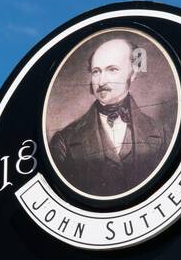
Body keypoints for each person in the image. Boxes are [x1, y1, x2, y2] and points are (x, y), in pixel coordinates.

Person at [49, 36, 170, 198]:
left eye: (112, 70)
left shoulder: (161, 134)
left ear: (132, 74)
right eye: (96, 72)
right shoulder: (64, 140)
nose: (101, 81)